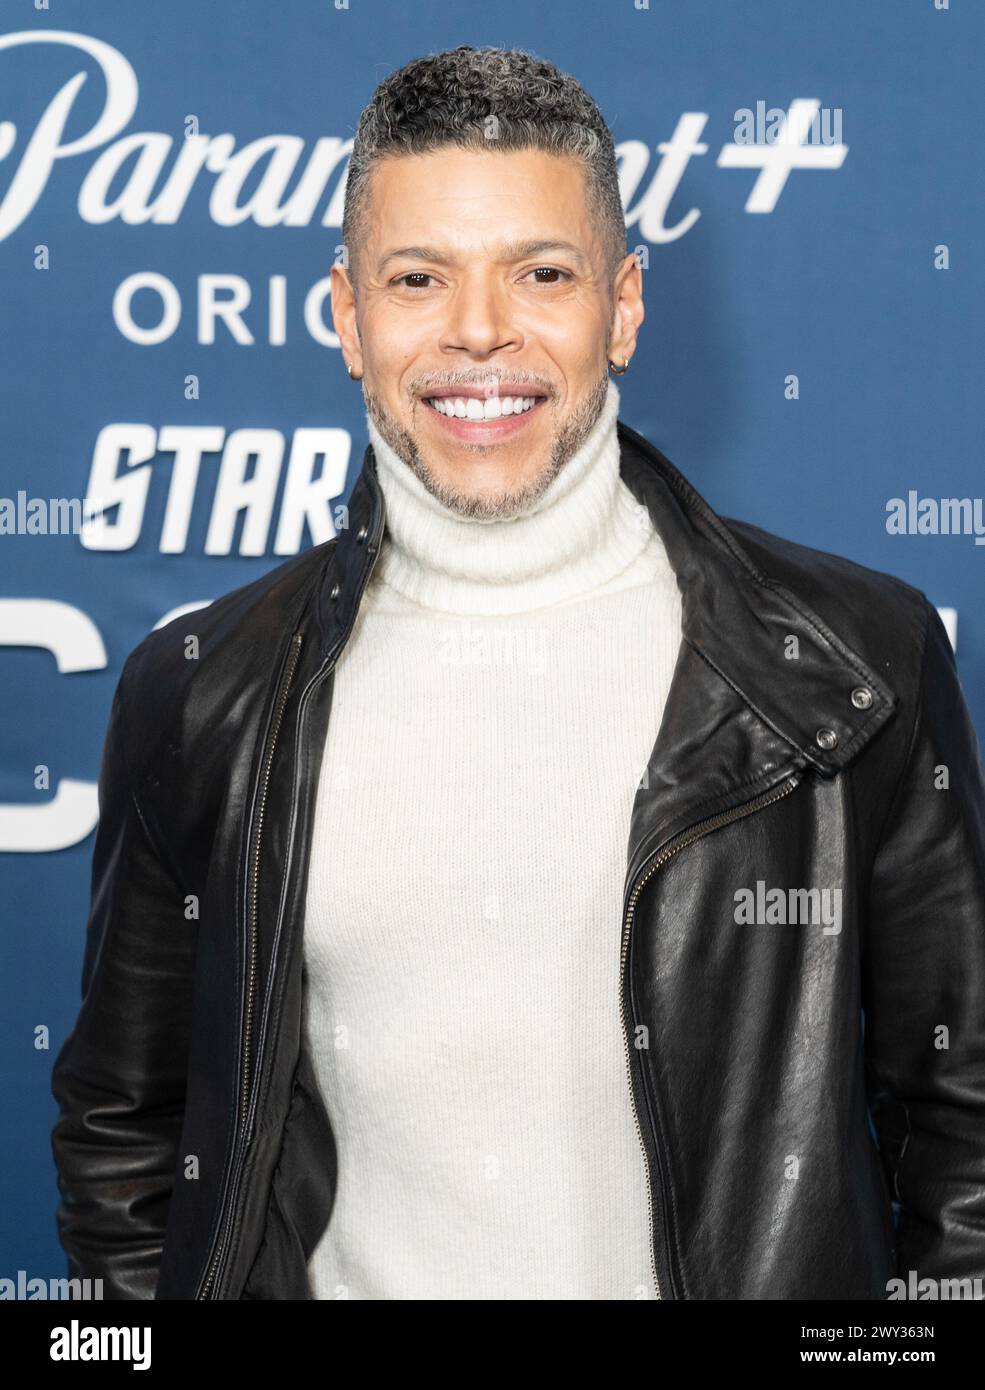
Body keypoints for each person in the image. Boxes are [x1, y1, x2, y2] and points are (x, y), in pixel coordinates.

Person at [51, 44, 985, 1301]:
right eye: (417, 277)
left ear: (625, 305)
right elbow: (127, 1135)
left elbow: (962, 1121)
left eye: (541, 273)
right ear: (345, 315)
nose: (479, 330)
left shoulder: (854, 661)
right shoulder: (201, 689)